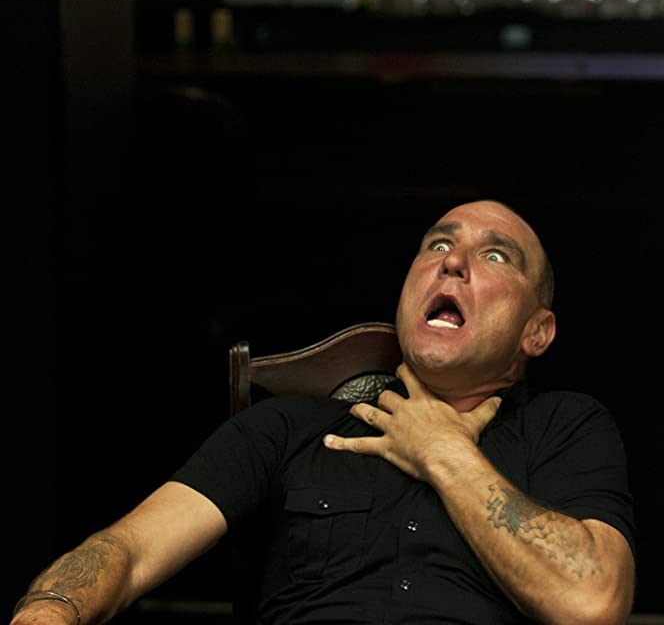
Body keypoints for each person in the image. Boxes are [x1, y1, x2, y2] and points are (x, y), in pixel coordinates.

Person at [11, 200, 635, 625]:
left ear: (536, 332)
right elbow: (129, 550)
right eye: (438, 244)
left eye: (496, 256)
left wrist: (442, 450)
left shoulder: (566, 428)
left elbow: (590, 603)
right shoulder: (289, 427)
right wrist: (52, 609)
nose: (452, 260)